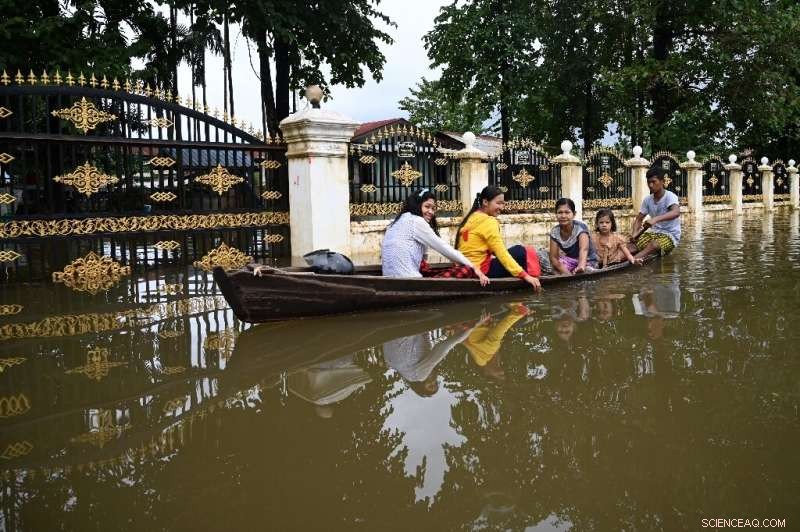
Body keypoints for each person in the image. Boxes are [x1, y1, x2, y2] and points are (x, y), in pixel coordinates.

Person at [438, 186, 542, 292]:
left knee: (513, 253)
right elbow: (501, 253)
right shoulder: (489, 221)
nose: (502, 207)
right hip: (481, 270)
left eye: (503, 203)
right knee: (521, 251)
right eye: (498, 203)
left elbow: (492, 250)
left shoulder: (473, 216)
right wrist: (525, 276)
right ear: (485, 202)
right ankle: (533, 277)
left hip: (468, 266)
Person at [382, 189, 489, 285]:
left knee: (426, 266)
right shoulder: (417, 221)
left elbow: (422, 257)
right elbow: (444, 248)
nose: (431, 212)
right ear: (416, 205)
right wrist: (474, 267)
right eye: (427, 207)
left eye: (433, 208)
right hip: (409, 282)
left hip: (389, 280)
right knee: (466, 270)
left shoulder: (394, 222)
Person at [629, 167, 681, 260]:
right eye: (649, 182)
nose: (650, 185)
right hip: (653, 232)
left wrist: (655, 219)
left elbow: (676, 212)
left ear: (662, 181)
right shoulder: (647, 200)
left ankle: (632, 262)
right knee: (631, 246)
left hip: (670, 235)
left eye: (653, 182)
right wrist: (634, 234)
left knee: (653, 245)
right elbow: (639, 219)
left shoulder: (670, 196)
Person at [549, 198, 598, 274]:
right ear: (556, 214)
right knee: (551, 264)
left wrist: (581, 267)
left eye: (567, 212)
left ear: (574, 214)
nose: (563, 216)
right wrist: (567, 274)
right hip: (571, 261)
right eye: (560, 212)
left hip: (587, 261)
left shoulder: (580, 227)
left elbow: (584, 249)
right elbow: (554, 258)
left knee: (587, 270)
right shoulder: (555, 232)